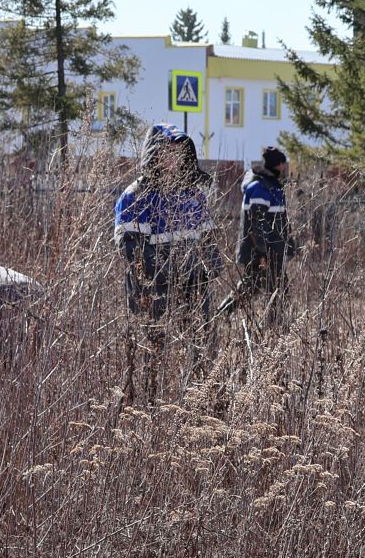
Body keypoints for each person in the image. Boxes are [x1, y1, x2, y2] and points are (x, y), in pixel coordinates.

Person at [114, 124, 219, 395]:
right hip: (152, 290)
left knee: (202, 345)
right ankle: (150, 404)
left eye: (179, 153)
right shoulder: (136, 197)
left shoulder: (193, 195)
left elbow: (208, 238)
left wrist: (209, 268)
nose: (174, 159)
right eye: (166, 152)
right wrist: (167, 274)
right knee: (152, 350)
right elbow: (132, 250)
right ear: (153, 154)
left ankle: (201, 400)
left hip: (193, 287)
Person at [227, 144, 293, 320]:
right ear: (276, 166)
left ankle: (275, 326)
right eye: (283, 165)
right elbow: (257, 223)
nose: (285, 168)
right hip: (261, 253)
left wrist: (289, 243)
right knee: (266, 289)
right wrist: (263, 252)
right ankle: (274, 327)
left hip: (272, 251)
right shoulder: (259, 188)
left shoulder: (274, 187)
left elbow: (279, 221)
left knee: (270, 289)